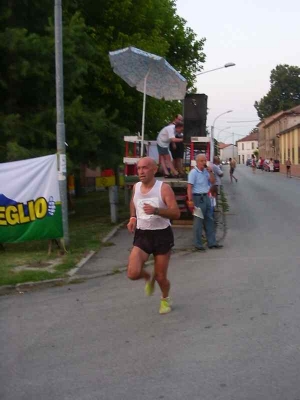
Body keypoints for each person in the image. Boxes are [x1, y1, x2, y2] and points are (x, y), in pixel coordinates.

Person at [127, 157, 180, 315]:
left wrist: (157, 210)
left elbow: (176, 213)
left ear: (154, 169)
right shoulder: (136, 187)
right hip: (142, 234)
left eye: (145, 168)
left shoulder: (163, 188)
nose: (141, 172)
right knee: (133, 273)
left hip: (161, 235)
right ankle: (147, 276)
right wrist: (133, 217)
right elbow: (133, 202)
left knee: (161, 277)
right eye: (138, 168)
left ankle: (165, 298)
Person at [187, 154, 223, 252]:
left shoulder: (206, 172)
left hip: (206, 197)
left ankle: (212, 242)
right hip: (197, 198)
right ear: (197, 162)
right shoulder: (193, 173)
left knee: (209, 219)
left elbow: (212, 181)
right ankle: (198, 244)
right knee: (198, 221)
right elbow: (189, 187)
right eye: (202, 161)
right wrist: (190, 200)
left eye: (205, 161)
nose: (204, 163)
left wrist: (211, 172)